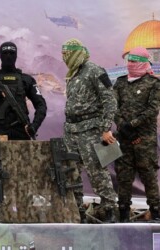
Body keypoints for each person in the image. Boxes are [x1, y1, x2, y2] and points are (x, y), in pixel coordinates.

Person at [62, 38, 117, 222]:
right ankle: (77, 211)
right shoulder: (73, 74)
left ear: (76, 53)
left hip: (91, 130)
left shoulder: (95, 70)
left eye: (67, 54)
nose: (64, 58)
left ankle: (109, 210)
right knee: (71, 171)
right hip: (71, 131)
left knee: (97, 171)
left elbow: (110, 100)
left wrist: (106, 128)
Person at [113, 47, 160, 222]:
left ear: (143, 62)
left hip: (144, 140)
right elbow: (113, 107)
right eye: (129, 61)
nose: (131, 64)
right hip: (124, 138)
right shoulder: (120, 82)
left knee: (148, 174)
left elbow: (152, 110)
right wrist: (123, 126)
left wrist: (131, 126)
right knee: (124, 176)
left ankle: (156, 212)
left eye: (134, 61)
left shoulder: (153, 83)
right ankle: (123, 212)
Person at [0, 41, 47, 140]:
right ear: (0, 56)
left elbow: (41, 105)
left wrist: (34, 126)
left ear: (16, 56)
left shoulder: (26, 80)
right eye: (5, 53)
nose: (8, 56)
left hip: (21, 131)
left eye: (12, 53)